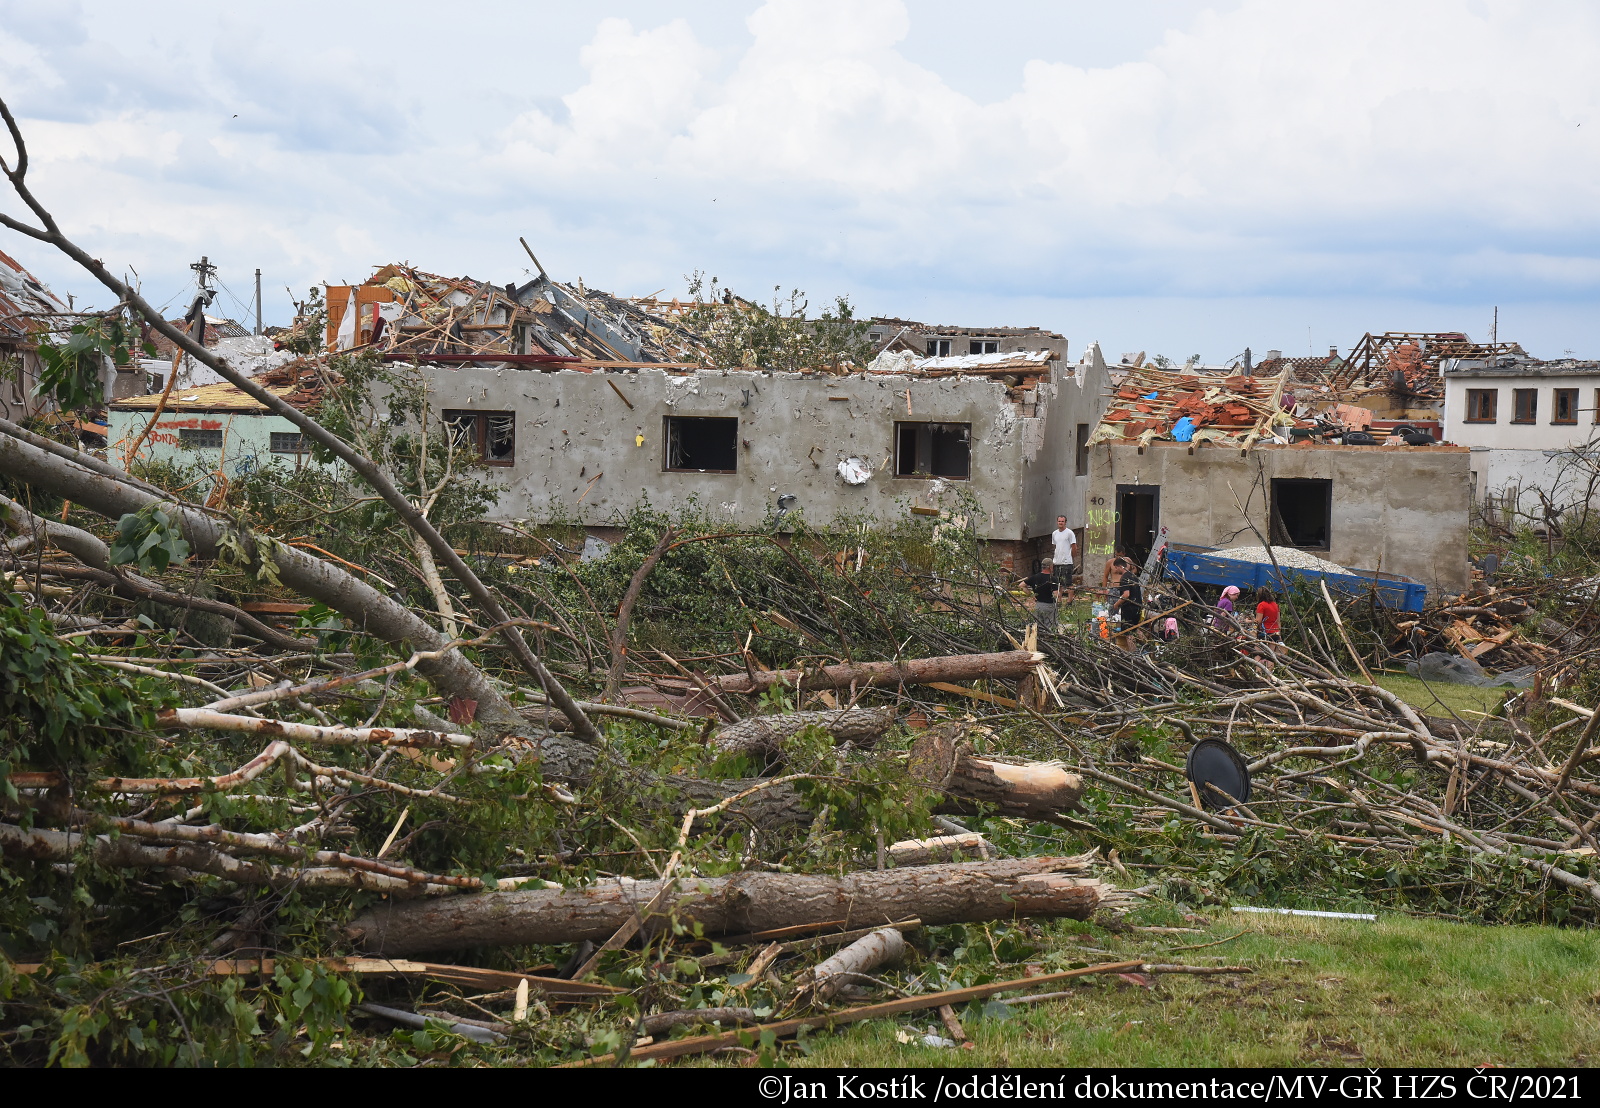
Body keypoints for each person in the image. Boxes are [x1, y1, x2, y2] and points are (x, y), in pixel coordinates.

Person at [1018, 564, 1062, 634]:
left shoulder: (1034, 577)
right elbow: (1056, 594)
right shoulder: (1052, 579)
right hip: (1049, 606)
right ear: (1050, 567)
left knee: (1038, 629)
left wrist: (1031, 594)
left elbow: (1021, 586)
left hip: (1038, 606)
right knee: (1050, 629)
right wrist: (1059, 602)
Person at [1048, 516, 1079, 603]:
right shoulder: (1054, 533)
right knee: (1058, 583)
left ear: (1065, 522)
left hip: (1067, 562)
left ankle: (1069, 601)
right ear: (1057, 522)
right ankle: (1059, 600)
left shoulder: (1069, 533)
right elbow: (1055, 546)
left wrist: (1071, 557)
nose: (1060, 523)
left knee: (1068, 583)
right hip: (1057, 562)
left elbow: (1074, 546)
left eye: (1062, 521)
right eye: (1059, 521)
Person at [1111, 568, 1143, 649]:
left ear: (1120, 566)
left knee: (1128, 632)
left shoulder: (1125, 577)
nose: (1115, 571)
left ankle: (1134, 655)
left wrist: (1116, 604)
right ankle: (1148, 647)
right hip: (1137, 606)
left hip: (1129, 608)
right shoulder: (1133, 576)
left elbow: (1126, 594)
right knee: (1135, 629)